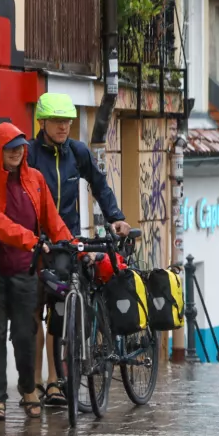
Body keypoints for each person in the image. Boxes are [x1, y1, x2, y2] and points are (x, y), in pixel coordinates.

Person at [0, 122, 74, 422]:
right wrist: (31, 239)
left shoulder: (35, 180)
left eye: (20, 147)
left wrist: (71, 245)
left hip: (25, 272)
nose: (17, 152)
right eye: (10, 148)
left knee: (26, 335)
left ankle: (27, 389)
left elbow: (53, 220)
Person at [27, 92, 131, 407]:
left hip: (65, 242)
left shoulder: (77, 152)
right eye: (58, 121)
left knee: (60, 312)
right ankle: (32, 383)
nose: (64, 127)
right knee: (34, 314)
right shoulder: (30, 155)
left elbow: (99, 184)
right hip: (34, 243)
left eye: (68, 121)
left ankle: (55, 382)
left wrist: (116, 217)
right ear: (42, 122)